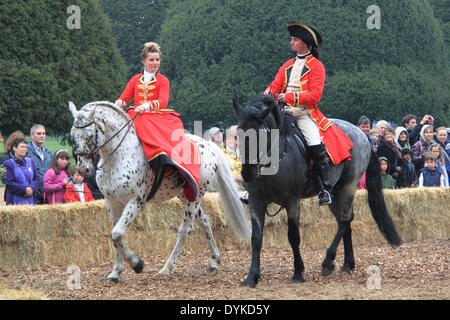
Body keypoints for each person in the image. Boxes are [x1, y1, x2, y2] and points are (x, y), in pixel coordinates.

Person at [263, 22, 353, 205]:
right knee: (260, 137)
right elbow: (274, 86)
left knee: (314, 144)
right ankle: (255, 185)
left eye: (294, 40)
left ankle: (324, 188)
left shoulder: (317, 66)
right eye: (292, 40)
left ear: (305, 43)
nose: (291, 43)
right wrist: (266, 96)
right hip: (282, 113)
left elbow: (314, 96)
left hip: (304, 114)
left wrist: (288, 97)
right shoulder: (287, 65)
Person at [115, 42, 200, 202]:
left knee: (146, 124)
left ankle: (165, 164)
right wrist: (119, 102)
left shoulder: (163, 80)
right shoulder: (135, 80)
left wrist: (147, 106)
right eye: (151, 60)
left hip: (154, 115)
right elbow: (125, 96)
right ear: (144, 61)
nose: (155, 63)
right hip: (136, 114)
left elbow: (163, 101)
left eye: (157, 60)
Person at [2, 138, 40, 205]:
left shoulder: (31, 162)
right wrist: (24, 190)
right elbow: (9, 182)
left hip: (30, 199)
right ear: (14, 148)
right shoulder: (8, 164)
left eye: (25, 147)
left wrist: (32, 189)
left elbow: (36, 178)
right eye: (22, 147)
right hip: (15, 200)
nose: (24, 149)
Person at [26, 124, 52, 204]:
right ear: (32, 135)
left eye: (43, 133)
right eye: (39, 133)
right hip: (32, 194)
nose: (42, 136)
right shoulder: (26, 151)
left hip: (47, 194)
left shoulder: (49, 153)